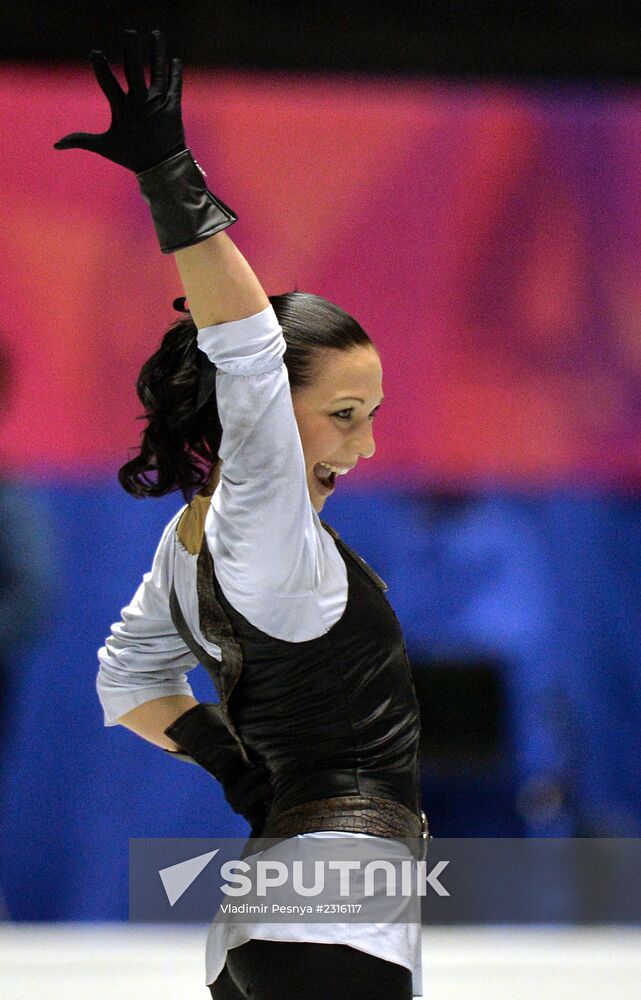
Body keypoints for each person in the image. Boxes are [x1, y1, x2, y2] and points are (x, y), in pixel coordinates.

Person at [55, 29, 427, 999]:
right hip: (330, 922)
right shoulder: (264, 531)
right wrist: (171, 179)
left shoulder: (186, 549)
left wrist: (236, 769)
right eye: (340, 417)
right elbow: (249, 351)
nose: (363, 447)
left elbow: (125, 677)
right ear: (266, 424)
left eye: (372, 417)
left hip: (272, 919)